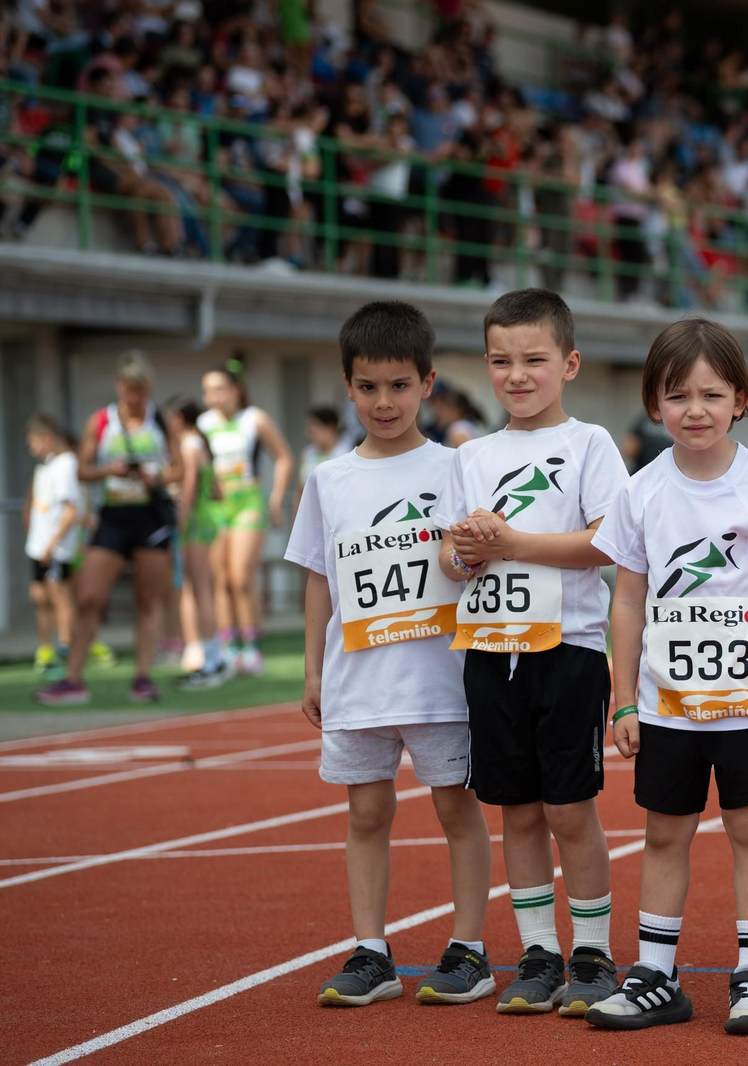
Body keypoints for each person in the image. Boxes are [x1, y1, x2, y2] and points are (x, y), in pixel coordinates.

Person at [585, 319, 748, 1035]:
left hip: (747, 707)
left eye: (711, 395)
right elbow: (626, 600)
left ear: (741, 400)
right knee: (666, 833)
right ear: (654, 404)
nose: (695, 410)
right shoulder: (642, 491)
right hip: (667, 708)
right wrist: (622, 700)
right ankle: (657, 973)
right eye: (677, 395)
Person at [288, 300, 494, 1009]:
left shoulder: (459, 467)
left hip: (442, 679)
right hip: (359, 680)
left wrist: (462, 557)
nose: (384, 401)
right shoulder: (329, 479)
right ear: (348, 386)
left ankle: (469, 948)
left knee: (455, 810)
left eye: (399, 385)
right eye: (369, 387)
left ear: (428, 383)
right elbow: (320, 578)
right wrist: (312, 668)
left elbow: (479, 558)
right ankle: (371, 952)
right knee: (366, 814)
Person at [444, 289, 628, 1017]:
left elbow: (608, 542)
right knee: (515, 810)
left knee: (569, 810)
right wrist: (466, 558)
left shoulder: (589, 445)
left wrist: (514, 543)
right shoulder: (472, 456)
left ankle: (593, 954)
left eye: (534, 360)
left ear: (569, 363)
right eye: (501, 361)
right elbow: (450, 562)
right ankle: (538, 953)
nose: (517, 375)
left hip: (568, 650)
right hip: (490, 651)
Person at [35, 353, 183, 705]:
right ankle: (73, 679)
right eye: (129, 390)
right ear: (119, 387)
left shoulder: (161, 420)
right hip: (113, 515)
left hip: (150, 515)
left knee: (148, 600)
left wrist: (156, 476)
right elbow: (82, 469)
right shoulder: (100, 421)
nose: (134, 398)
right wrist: (109, 471)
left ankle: (142, 677)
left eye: (141, 391)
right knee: (88, 598)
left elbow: (180, 469)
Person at [199, 361, 294, 676]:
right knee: (221, 579)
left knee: (241, 577)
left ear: (235, 390)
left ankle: (252, 645)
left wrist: (277, 497)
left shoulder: (254, 419)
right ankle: (229, 646)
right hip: (215, 507)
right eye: (207, 391)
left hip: (248, 503)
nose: (213, 397)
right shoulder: (203, 423)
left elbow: (283, 456)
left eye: (219, 389)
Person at [165, 398, 228, 688]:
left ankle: (213, 661)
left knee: (200, 589)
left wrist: (183, 514)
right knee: (197, 588)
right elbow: (217, 490)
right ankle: (206, 656)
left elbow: (191, 484)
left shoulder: (189, 443)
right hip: (204, 521)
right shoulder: (198, 443)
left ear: (178, 418)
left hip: (195, 524)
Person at [24, 414, 82, 684]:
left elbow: (71, 511)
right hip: (38, 547)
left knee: (60, 598)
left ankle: (66, 649)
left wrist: (51, 543)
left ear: (47, 439)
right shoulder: (45, 466)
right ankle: (46, 651)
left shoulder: (66, 464)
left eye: (33, 443)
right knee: (40, 597)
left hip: (55, 549)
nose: (30, 450)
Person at [297, 406, 349, 516]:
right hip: (311, 513)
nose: (309, 433)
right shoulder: (307, 453)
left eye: (313, 428)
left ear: (330, 427)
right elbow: (300, 490)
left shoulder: (346, 453)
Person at [425, 383, 487, 448]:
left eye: (443, 409)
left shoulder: (458, 429)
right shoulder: (467, 425)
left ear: (456, 411)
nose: (438, 413)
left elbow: (465, 456)